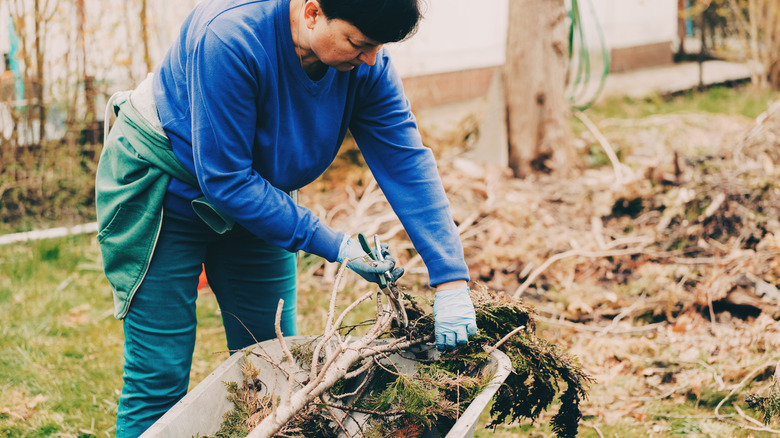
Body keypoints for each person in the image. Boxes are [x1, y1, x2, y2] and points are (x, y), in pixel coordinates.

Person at [95, 0, 478, 436]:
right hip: (167, 189)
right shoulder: (231, 36)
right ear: (313, 13)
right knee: (160, 378)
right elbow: (227, 179)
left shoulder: (366, 64)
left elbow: (406, 161)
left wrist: (450, 279)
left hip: (260, 198)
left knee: (274, 366)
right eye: (359, 43)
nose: (372, 58)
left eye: (378, 47)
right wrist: (335, 244)